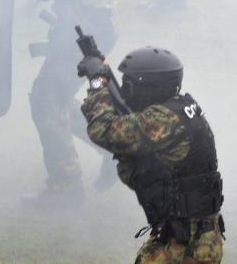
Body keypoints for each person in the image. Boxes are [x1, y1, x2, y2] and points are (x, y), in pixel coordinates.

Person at [1, 0, 119, 205]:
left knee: (47, 99)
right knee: (56, 99)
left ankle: (66, 189)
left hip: (88, 30)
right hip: (80, 26)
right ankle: (116, 150)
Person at [78, 46, 225, 264]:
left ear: (149, 87)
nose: (126, 91)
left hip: (184, 245)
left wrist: (98, 82)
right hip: (192, 237)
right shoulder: (181, 108)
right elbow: (143, 171)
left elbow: (104, 130)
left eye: (129, 85)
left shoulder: (164, 119)